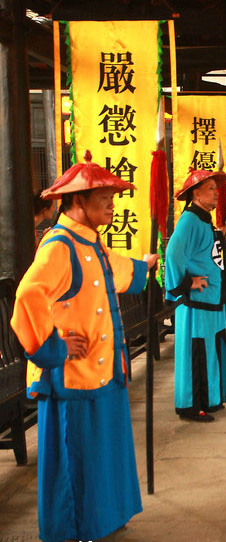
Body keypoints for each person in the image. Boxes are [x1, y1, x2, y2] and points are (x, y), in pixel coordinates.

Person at [11, 150, 158, 542]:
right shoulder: (59, 246)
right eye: (104, 198)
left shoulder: (89, 242)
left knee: (104, 451)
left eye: (112, 196)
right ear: (78, 200)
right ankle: (75, 527)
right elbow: (28, 297)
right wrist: (52, 347)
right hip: (72, 375)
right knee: (77, 455)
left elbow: (118, 270)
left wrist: (145, 266)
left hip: (104, 367)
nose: (112, 205)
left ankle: (105, 516)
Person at [166, 168, 226, 422]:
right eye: (211, 189)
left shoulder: (204, 218)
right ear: (196, 193)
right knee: (196, 351)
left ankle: (210, 398)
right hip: (197, 302)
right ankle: (192, 405)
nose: (216, 193)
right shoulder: (190, 219)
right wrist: (185, 283)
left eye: (217, 189)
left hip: (211, 299)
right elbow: (173, 253)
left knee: (210, 348)